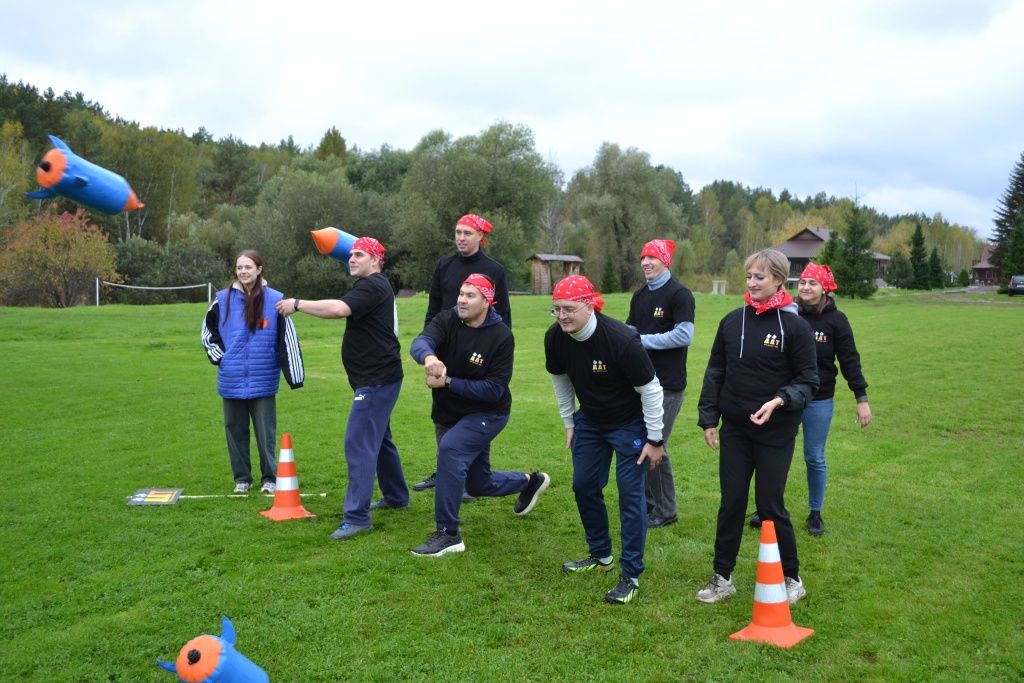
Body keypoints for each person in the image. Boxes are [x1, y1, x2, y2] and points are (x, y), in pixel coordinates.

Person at [695, 249, 818, 606]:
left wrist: (780, 400)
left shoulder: (795, 327)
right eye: (748, 276)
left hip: (776, 434)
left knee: (770, 505)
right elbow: (715, 371)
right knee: (731, 501)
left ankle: (792, 577)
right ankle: (722, 577)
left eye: (759, 277)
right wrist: (708, 418)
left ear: (779, 279)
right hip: (735, 429)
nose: (751, 283)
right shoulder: (732, 322)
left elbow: (809, 381)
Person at [275, 237, 409, 541]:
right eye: (350, 255)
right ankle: (397, 496)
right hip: (379, 377)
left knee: (358, 443)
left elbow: (338, 309)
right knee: (380, 439)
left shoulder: (372, 285)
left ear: (375, 260)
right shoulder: (371, 285)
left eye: (359, 255)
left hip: (376, 381)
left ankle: (357, 517)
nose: (351, 259)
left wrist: (297, 304)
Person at [408, 274, 549, 556]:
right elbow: (421, 341)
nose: (462, 299)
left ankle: (448, 533)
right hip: (448, 413)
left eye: (470, 295)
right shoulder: (448, 319)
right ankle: (530, 481)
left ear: (486, 302)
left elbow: (493, 390)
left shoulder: (501, 336)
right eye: (461, 293)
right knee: (478, 482)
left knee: (450, 451)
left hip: (487, 413)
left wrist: (448, 382)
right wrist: (430, 358)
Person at [545, 275, 665, 605]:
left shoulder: (621, 339)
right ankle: (600, 554)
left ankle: (630, 573)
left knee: (630, 497)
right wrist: (570, 422)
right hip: (590, 423)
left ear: (589, 305)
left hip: (630, 425)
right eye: (556, 310)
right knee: (583, 485)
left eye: (569, 309)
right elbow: (561, 381)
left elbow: (652, 390)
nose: (562, 316)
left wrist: (655, 439)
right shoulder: (555, 338)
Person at [764, 262, 871, 536]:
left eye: (813, 283)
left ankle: (815, 512)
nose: (806, 287)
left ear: (825, 288)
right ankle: (768, 508)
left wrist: (861, 398)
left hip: (819, 399)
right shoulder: (785, 313)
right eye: (802, 283)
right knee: (775, 453)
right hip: (785, 398)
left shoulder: (836, 321)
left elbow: (849, 360)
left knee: (813, 456)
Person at [413, 213, 512, 494]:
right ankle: (445, 471)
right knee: (444, 408)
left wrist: (499, 352)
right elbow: (434, 308)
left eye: (467, 233)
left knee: (476, 407)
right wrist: (429, 347)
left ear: (481, 237)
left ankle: (467, 476)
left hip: (481, 346)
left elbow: (503, 315)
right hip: (444, 343)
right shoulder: (444, 265)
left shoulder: (494, 269)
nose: (461, 238)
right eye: (457, 232)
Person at [202, 250, 304, 494]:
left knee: (265, 433)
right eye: (239, 268)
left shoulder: (276, 300)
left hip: (264, 379)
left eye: (248, 267)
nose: (243, 271)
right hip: (231, 379)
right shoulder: (221, 300)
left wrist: (295, 375)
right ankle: (242, 480)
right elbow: (207, 334)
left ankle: (269, 478)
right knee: (235, 431)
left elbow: (287, 338)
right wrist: (222, 359)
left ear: (259, 269)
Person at [626, 239, 695, 528]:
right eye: (642, 258)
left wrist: (642, 342)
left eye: (652, 257)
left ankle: (666, 511)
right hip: (641, 382)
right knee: (640, 441)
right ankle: (646, 503)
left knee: (656, 444)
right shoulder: (640, 295)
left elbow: (684, 335)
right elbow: (629, 330)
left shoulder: (680, 294)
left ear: (665, 261)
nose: (645, 263)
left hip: (668, 385)